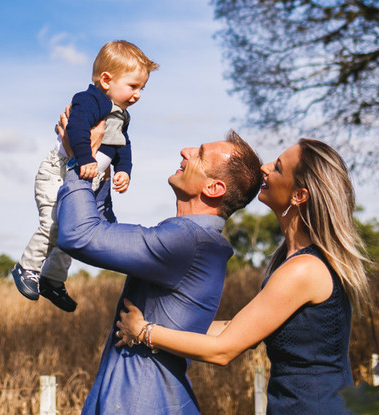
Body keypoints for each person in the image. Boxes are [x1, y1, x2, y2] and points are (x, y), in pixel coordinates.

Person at [115, 138, 371, 415]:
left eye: (279, 168)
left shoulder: (303, 270)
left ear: (299, 196)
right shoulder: (293, 261)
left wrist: (144, 331)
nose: (265, 167)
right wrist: (157, 323)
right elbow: (235, 328)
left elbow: (222, 350)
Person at [56, 128, 264, 414]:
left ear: (213, 189)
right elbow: (107, 237)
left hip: (139, 402)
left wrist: (76, 160)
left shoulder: (188, 242)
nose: (185, 151)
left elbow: (80, 235)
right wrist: (100, 171)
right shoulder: (193, 240)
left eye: (200, 155)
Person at [11, 40, 159, 312]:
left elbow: (122, 145)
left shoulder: (121, 115)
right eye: (133, 86)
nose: (138, 94)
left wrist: (125, 169)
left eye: (142, 88)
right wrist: (86, 158)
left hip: (88, 178)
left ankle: (52, 280)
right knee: (54, 226)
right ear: (106, 80)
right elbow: (77, 130)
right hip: (58, 172)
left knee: (72, 232)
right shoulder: (90, 100)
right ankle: (26, 268)